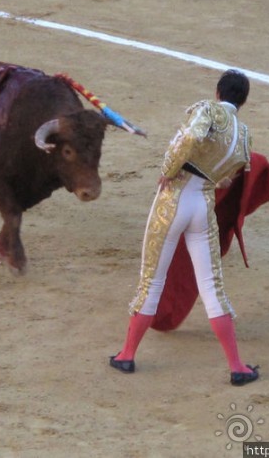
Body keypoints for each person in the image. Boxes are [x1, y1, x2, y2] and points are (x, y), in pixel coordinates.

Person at [109, 69, 259, 386]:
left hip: (174, 199)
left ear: (218, 92)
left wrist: (168, 170)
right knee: (212, 286)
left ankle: (127, 355)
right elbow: (228, 178)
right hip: (203, 206)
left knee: (152, 280)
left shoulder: (209, 110)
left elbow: (189, 138)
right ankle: (237, 367)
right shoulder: (243, 135)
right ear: (242, 102)